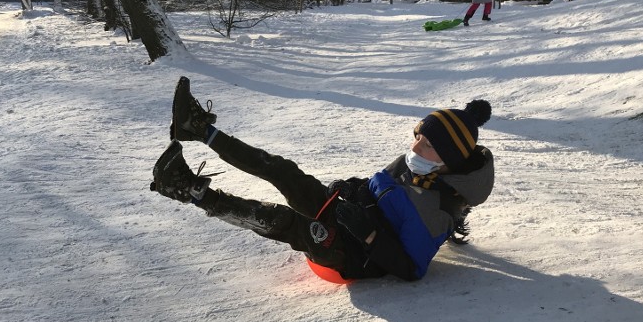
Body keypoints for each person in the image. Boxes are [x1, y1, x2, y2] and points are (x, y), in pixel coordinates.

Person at [151, 77, 495, 282]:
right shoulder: (417, 164)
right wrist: (354, 187)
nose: (416, 145)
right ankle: (198, 129)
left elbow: (411, 269)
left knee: (284, 220)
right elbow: (380, 186)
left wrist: (371, 234)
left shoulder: (437, 213)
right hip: (346, 217)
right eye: (418, 136)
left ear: (448, 160)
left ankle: (188, 190)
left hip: (351, 257)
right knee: (284, 171)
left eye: (429, 144)